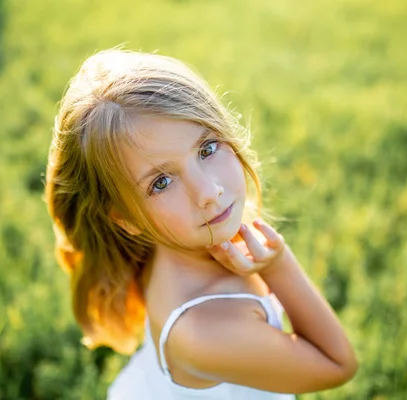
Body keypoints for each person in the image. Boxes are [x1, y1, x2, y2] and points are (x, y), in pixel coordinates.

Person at [45, 48, 358, 399]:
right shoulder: (202, 332)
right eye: (160, 183)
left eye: (207, 148)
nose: (209, 191)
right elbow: (337, 364)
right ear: (128, 219)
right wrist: (280, 265)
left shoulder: (167, 238)